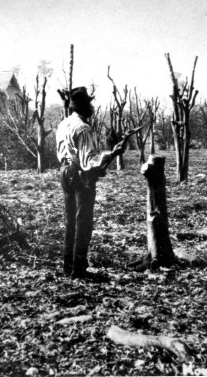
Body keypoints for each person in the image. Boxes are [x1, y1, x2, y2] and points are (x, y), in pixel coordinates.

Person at [56, 87, 125, 279]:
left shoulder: (63, 124)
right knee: (83, 222)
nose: (92, 107)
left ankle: (67, 265)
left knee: (70, 221)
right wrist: (112, 153)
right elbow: (88, 161)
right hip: (79, 174)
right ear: (84, 107)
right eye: (90, 104)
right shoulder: (83, 128)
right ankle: (78, 269)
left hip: (64, 172)